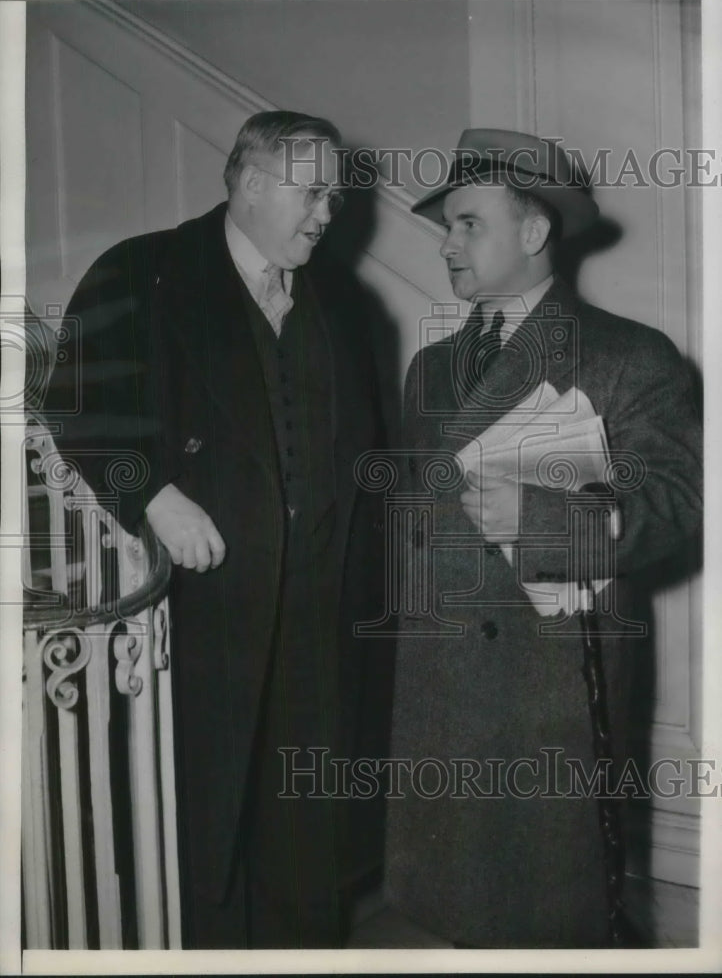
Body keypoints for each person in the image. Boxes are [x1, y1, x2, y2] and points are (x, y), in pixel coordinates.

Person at [43, 110, 388, 948]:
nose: (326, 215)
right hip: (200, 621)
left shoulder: (343, 297)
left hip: (316, 619)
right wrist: (152, 492)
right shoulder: (143, 271)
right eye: (312, 195)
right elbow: (76, 405)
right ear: (249, 182)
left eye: (333, 199)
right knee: (204, 837)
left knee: (307, 841)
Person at [384, 129, 702, 948]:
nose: (447, 243)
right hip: (436, 685)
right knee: (457, 912)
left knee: (542, 919)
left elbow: (676, 505)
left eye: (468, 224)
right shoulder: (430, 370)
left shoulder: (631, 355)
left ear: (533, 233)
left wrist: (540, 521)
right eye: (445, 226)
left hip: (546, 685)